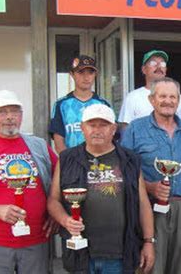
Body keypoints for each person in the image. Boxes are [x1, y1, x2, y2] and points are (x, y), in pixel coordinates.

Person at [47, 104, 155, 273]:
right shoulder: (67, 158)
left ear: (113, 129)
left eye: (103, 125)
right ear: (82, 128)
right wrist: (65, 220)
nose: (97, 130)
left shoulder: (130, 159)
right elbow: (54, 200)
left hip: (120, 253)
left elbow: (142, 203)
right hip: (80, 253)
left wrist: (148, 242)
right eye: (92, 125)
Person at [121, 78, 181, 274]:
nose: (168, 101)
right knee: (151, 265)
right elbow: (124, 171)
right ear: (152, 100)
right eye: (162, 96)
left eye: (173, 96)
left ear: (178, 100)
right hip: (148, 208)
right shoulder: (135, 129)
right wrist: (148, 187)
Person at [0, 90, 57, 273]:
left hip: (37, 241)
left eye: (15, 111)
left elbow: (61, 181)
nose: (9, 117)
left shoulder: (39, 146)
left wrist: (57, 212)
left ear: (22, 115)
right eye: (2, 112)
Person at [49, 55, 111, 154]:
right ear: (72, 74)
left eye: (90, 73)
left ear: (95, 74)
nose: (86, 77)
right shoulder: (61, 104)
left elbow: (110, 137)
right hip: (72, 163)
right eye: (81, 72)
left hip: (99, 163)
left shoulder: (103, 104)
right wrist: (69, 162)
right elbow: (58, 142)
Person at [118, 50, 181, 125]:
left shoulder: (175, 95)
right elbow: (125, 129)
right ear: (144, 69)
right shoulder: (132, 97)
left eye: (162, 64)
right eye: (153, 63)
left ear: (165, 70)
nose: (159, 66)